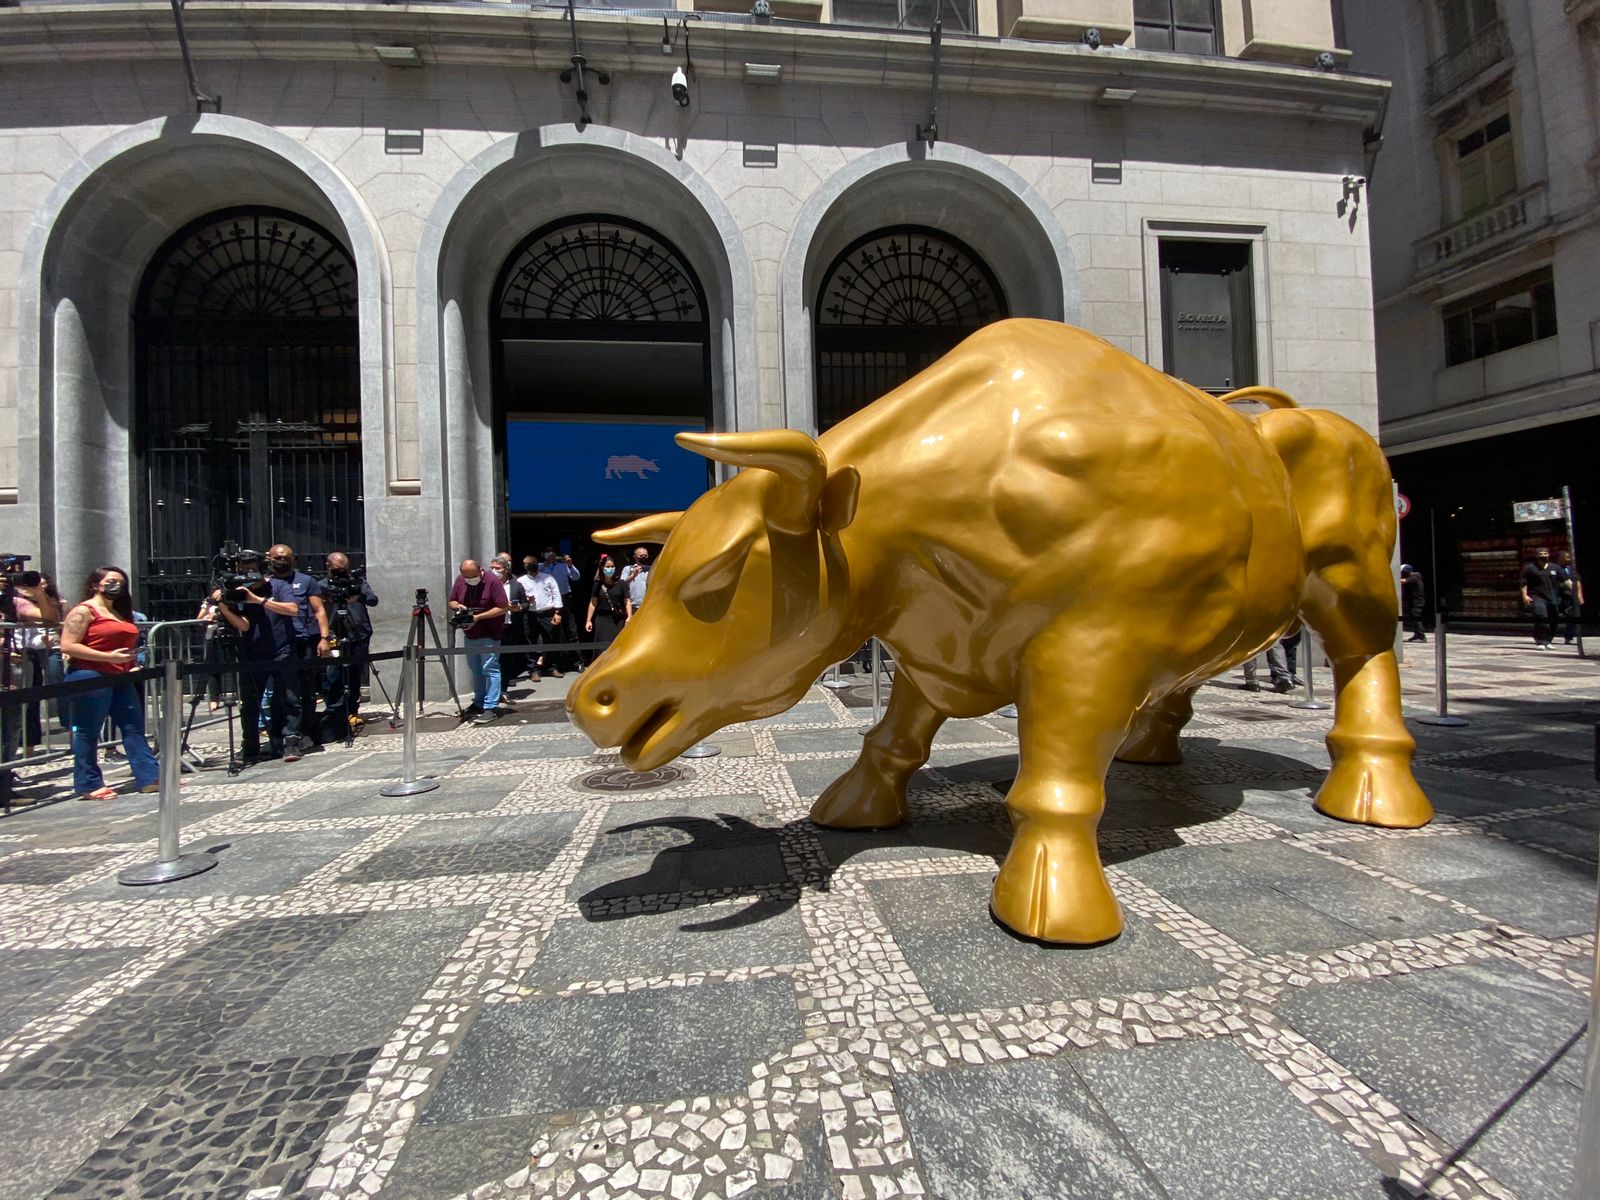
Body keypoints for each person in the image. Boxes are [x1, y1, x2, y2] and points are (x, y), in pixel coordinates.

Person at [214, 546, 327, 763]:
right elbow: (244, 626)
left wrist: (257, 599)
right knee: (250, 701)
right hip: (252, 652)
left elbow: (293, 609)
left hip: (282, 649)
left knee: (288, 697)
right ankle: (250, 745)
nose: (247, 576)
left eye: (251, 571)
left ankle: (290, 741)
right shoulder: (239, 591)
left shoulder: (279, 586)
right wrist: (224, 606)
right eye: (243, 571)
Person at [58, 567, 160, 800]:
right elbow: (68, 645)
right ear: (96, 584)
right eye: (111, 581)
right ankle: (88, 783)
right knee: (88, 730)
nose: (117, 586)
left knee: (133, 725)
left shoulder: (119, 611)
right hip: (90, 674)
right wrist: (108, 657)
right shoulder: (84, 611)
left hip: (120, 675)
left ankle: (149, 776)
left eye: (121, 582)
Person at [321, 552, 378, 738]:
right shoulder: (322, 585)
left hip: (358, 634)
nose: (341, 573)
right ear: (328, 567)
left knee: (355, 675)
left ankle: (352, 710)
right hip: (335, 634)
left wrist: (357, 596)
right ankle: (335, 713)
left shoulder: (358, 582)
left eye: (344, 568)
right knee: (334, 676)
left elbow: (373, 600)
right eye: (337, 569)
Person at [448, 558, 509, 724]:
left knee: (490, 667)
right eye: (466, 577)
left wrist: (478, 617)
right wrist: (458, 607)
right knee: (475, 669)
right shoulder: (461, 580)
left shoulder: (492, 581)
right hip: (470, 633)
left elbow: (503, 606)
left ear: (481, 571)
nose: (469, 580)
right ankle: (479, 702)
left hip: (489, 633)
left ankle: (491, 706)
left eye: (473, 577)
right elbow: (451, 600)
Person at [520, 558, 565, 682]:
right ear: (524, 566)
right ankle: (533, 670)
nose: (531, 566)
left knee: (550, 639)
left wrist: (557, 612)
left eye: (533, 563)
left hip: (547, 613)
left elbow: (556, 594)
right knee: (530, 641)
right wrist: (525, 601)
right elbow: (519, 599)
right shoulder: (521, 581)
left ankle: (551, 667)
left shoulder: (548, 578)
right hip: (530, 613)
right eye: (528, 564)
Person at [537, 548, 583, 669]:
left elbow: (576, 577)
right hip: (549, 602)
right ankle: (554, 663)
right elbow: (533, 574)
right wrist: (546, 563)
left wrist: (570, 565)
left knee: (571, 630)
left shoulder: (563, 566)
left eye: (552, 552)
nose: (551, 555)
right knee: (552, 632)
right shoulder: (540, 566)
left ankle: (578, 661)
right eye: (548, 552)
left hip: (565, 599)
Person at [489, 556, 528, 685]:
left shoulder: (517, 585)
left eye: (497, 568)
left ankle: (503, 689)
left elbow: (525, 603)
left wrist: (519, 607)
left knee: (506, 660)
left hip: (510, 627)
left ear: (506, 569)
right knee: (491, 660)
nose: (494, 571)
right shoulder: (488, 585)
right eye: (492, 568)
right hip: (492, 627)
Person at [585, 554, 632, 652]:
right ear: (602, 568)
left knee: (618, 645)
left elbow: (627, 601)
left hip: (618, 620)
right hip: (602, 619)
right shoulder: (597, 585)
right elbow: (593, 603)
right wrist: (588, 620)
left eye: (612, 567)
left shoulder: (621, 584)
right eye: (607, 567)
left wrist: (629, 616)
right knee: (602, 647)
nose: (610, 569)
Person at [1519, 547, 1562, 649]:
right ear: (1536, 556)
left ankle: (1548, 640)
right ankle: (1540, 641)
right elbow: (1523, 583)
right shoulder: (1530, 568)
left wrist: (1575, 592)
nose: (1543, 556)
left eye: (1545, 554)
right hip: (1537, 597)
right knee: (1541, 616)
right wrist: (1524, 595)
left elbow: (1566, 581)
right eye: (1541, 554)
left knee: (1553, 619)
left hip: (1552, 597)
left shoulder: (1555, 568)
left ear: (1549, 555)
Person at [1556, 550, 1584, 645]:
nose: (1569, 559)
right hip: (1559, 596)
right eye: (1567, 557)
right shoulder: (1555, 569)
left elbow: (1577, 581)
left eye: (1569, 557)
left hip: (1570, 596)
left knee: (1572, 616)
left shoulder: (1571, 568)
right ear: (1561, 558)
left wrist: (1579, 595)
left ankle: (1569, 637)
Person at [1400, 563, 1426, 642]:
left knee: (1417, 619)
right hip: (1413, 601)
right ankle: (1417, 634)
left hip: (1417, 602)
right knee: (1413, 619)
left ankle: (1421, 636)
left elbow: (1403, 581)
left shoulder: (1415, 576)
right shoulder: (1413, 577)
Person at [625, 546, 651, 613]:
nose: (644, 557)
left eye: (646, 555)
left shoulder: (652, 570)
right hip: (633, 608)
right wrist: (633, 575)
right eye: (641, 555)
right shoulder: (628, 569)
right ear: (635, 557)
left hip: (649, 607)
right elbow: (622, 583)